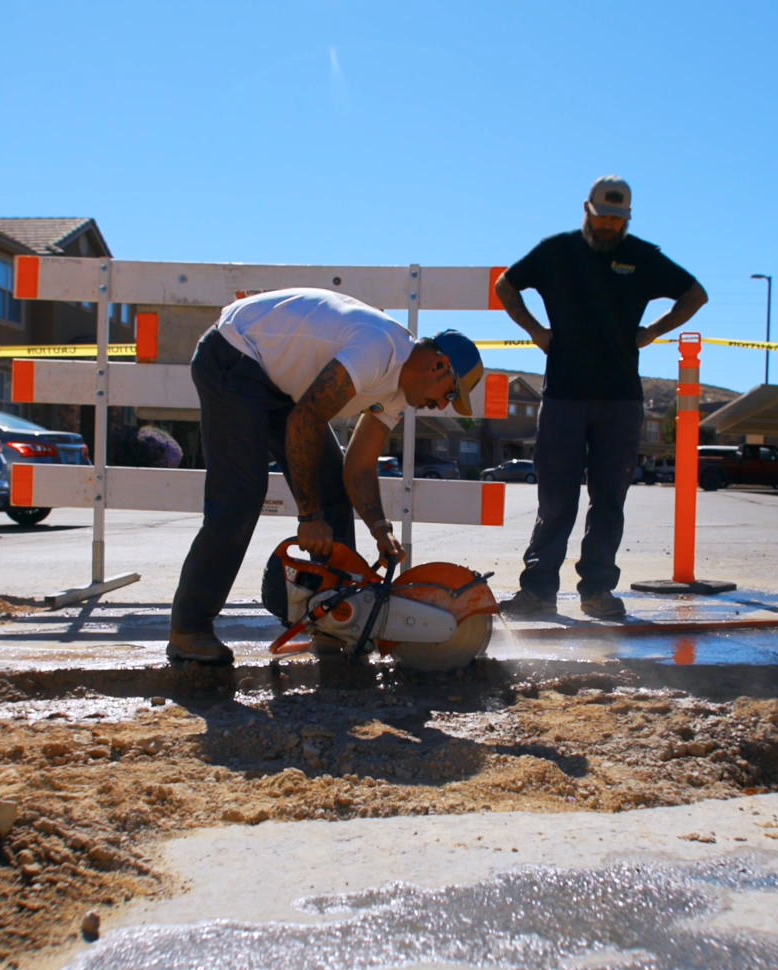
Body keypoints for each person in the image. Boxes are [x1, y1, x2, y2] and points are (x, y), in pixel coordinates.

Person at [167, 287, 485, 663]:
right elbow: (307, 419)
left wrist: (380, 528)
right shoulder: (377, 349)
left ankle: (332, 620)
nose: (443, 405)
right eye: (450, 393)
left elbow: (359, 466)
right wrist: (309, 518)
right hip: (235, 355)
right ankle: (190, 628)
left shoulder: (401, 391)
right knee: (239, 497)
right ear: (438, 364)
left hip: (279, 379)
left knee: (333, 487)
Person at [494, 176, 709, 620]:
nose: (611, 225)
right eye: (604, 217)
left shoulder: (642, 257)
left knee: (609, 498)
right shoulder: (557, 251)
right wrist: (536, 331)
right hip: (564, 398)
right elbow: (506, 285)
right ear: (587, 210)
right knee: (556, 498)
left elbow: (696, 295)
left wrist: (653, 332)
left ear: (627, 219)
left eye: (619, 219)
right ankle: (537, 591)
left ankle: (597, 591)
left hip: (621, 400)